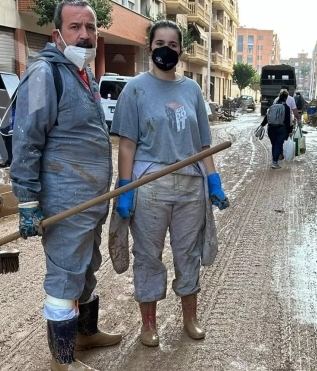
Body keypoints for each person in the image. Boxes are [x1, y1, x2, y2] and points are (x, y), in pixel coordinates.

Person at [9, 1, 121, 369]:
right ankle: (62, 360)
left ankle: (85, 334)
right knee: (65, 275)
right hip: (63, 201)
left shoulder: (81, 72)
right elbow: (26, 139)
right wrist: (27, 201)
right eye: (75, 27)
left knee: (86, 267)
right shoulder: (45, 73)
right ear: (57, 33)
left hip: (90, 200)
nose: (84, 35)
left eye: (90, 27)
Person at [110, 19, 229, 348]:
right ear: (150, 47)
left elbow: (204, 144)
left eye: (173, 45)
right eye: (160, 43)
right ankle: (149, 323)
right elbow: (127, 145)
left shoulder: (191, 89)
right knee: (148, 255)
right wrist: (125, 188)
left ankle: (190, 317)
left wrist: (214, 180)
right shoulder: (135, 89)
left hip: (190, 185)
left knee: (187, 254)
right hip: (150, 185)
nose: (166, 49)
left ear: (180, 50)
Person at [260, 89, 293, 169]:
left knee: (274, 145)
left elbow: (267, 117)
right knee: (278, 145)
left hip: (271, 128)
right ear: (286, 97)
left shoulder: (272, 106)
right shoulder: (286, 107)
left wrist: (262, 125)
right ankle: (275, 162)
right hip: (281, 128)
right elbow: (288, 121)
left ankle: (275, 159)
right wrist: (289, 131)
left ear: (279, 96)